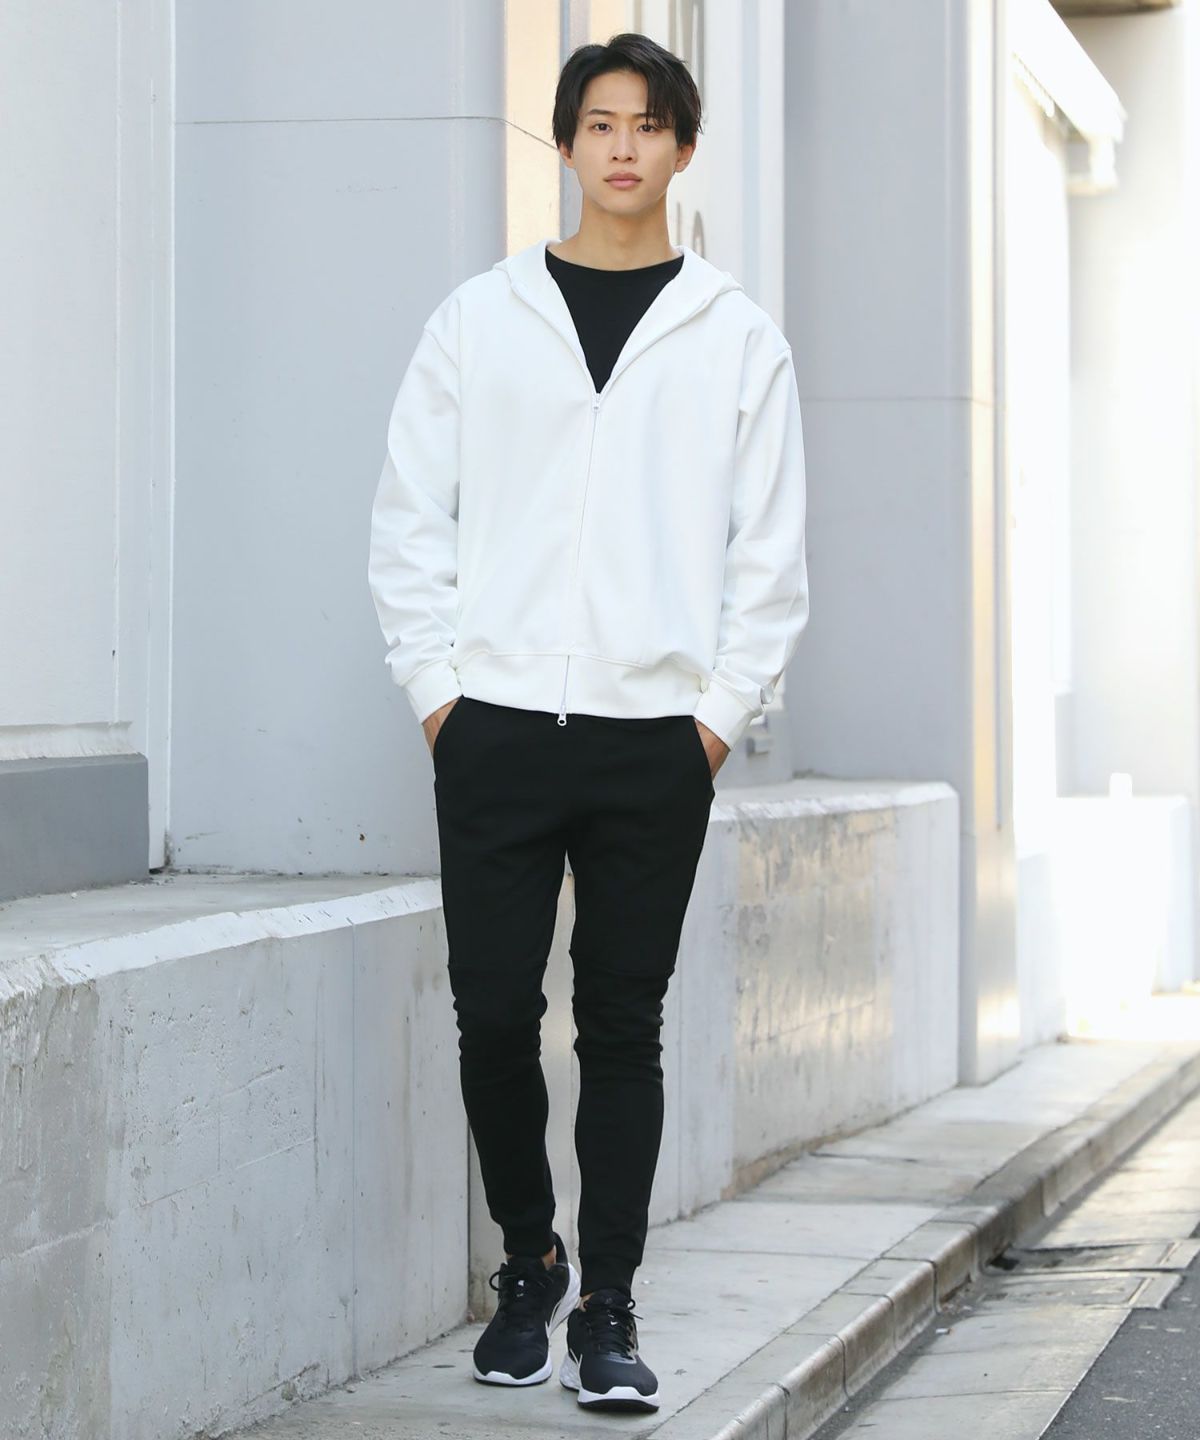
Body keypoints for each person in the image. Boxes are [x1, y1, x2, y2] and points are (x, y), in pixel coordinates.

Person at [367, 31, 809, 1416]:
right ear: (563, 144)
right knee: (496, 1015)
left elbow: (769, 560)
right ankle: (532, 1260)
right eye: (600, 123)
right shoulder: (479, 319)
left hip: (652, 744)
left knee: (623, 1027)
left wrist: (712, 726)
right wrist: (441, 699)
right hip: (494, 729)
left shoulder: (735, 338)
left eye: (648, 124)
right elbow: (408, 520)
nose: (623, 147)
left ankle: (609, 1308)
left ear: (684, 148)